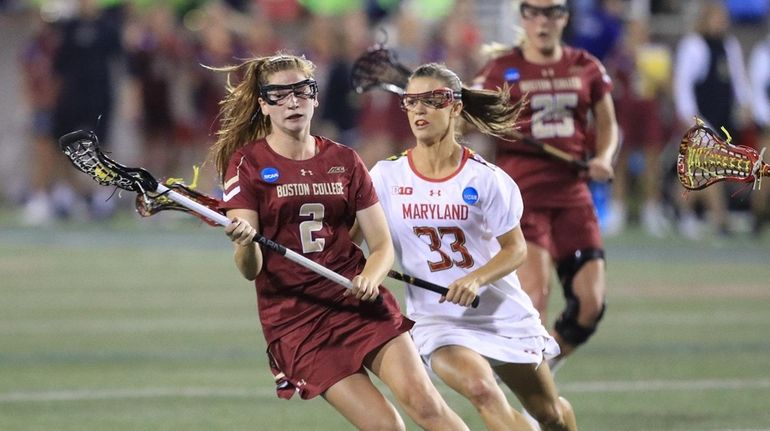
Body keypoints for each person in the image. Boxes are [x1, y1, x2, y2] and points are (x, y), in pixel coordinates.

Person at [208, 53, 469, 431]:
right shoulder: (247, 164)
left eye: (301, 91)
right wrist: (245, 243)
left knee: (427, 406)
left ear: (315, 97)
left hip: (357, 301)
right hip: (298, 320)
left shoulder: (345, 160)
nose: (292, 101)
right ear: (264, 105)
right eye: (279, 95)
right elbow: (251, 270)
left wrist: (371, 277)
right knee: (386, 428)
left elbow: (381, 246)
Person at [368, 62, 579, 431]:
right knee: (482, 390)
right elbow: (352, 234)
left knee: (551, 416)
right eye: (411, 101)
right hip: (439, 320)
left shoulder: (486, 179)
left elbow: (516, 249)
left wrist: (476, 280)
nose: (419, 109)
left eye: (431, 100)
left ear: (455, 106)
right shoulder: (385, 177)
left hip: (499, 313)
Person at [473, 0, 618, 370]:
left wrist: (604, 157)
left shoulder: (586, 66)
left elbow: (607, 123)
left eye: (552, 11)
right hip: (522, 199)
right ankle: (529, 396)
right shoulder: (500, 70)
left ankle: (542, 366)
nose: (542, 20)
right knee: (534, 298)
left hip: (573, 195)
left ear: (564, 18)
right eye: (533, 11)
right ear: (522, 17)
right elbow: (469, 119)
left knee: (590, 305)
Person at [672, 0, 752, 239]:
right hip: (700, 118)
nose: (721, 23)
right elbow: (683, 85)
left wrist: (745, 103)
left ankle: (682, 212)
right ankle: (720, 220)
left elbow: (737, 78)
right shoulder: (694, 46)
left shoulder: (729, 45)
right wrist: (691, 118)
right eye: (716, 18)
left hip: (724, 117)